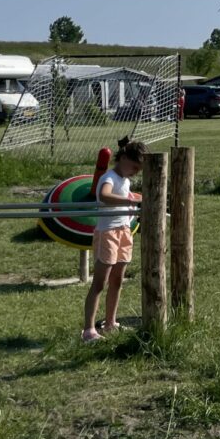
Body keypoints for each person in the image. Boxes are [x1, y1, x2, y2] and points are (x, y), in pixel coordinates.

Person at [82, 137, 144, 342]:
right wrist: (128, 200)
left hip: (124, 231)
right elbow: (105, 195)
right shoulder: (109, 177)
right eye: (134, 167)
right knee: (99, 283)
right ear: (124, 157)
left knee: (117, 280)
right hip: (107, 233)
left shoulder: (126, 180)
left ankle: (110, 323)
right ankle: (89, 330)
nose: (135, 172)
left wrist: (136, 199)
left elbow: (125, 195)